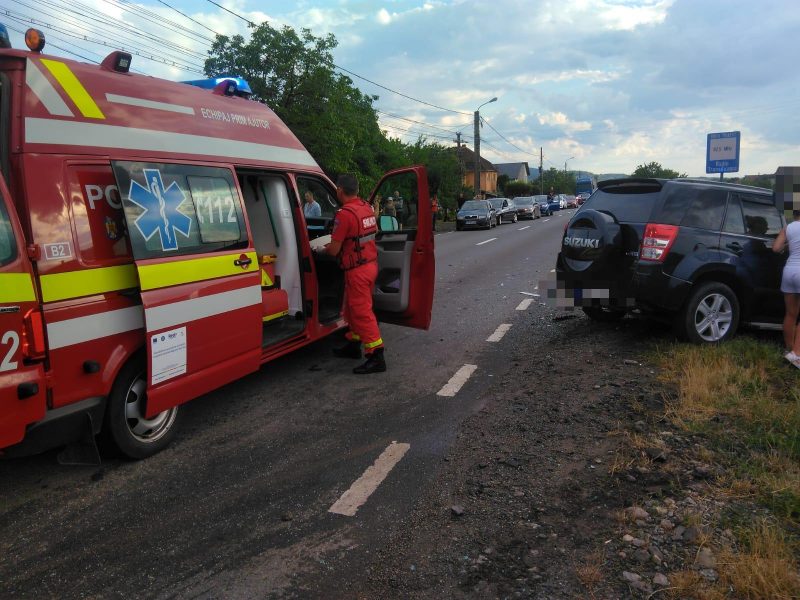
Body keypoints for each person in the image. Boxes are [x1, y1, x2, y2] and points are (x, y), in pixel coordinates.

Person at [316, 173, 386, 374]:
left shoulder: (344, 214)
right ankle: (354, 344)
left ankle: (376, 355)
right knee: (351, 309)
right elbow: (368, 234)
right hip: (369, 265)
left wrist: (320, 250)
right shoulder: (366, 208)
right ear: (356, 189)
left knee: (362, 312)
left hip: (357, 271)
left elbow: (334, 250)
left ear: (339, 190)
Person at [772, 209, 800, 367]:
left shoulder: (788, 228)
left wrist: (789, 244)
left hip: (789, 271)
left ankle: (790, 349)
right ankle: (797, 354)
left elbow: (776, 248)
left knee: (790, 314)